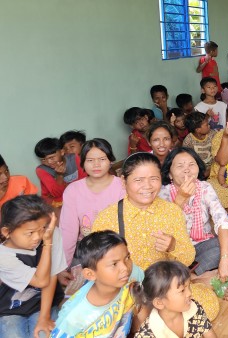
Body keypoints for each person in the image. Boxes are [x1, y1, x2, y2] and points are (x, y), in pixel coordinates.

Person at [92, 153, 219, 321]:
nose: (148, 186)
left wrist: (173, 246)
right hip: (127, 290)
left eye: (154, 178)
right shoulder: (106, 218)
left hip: (164, 287)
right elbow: (100, 267)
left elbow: (188, 257)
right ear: (123, 182)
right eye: (138, 180)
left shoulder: (171, 211)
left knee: (207, 305)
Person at [160, 148, 228, 278]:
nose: (186, 170)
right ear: (170, 174)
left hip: (202, 244)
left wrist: (225, 258)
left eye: (191, 164)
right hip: (176, 249)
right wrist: (180, 199)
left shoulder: (205, 187)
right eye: (180, 166)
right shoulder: (162, 193)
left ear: (198, 168)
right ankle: (197, 274)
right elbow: (165, 228)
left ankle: (190, 273)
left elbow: (221, 219)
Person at [51, 231, 144, 338]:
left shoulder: (132, 274)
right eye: (114, 264)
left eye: (127, 258)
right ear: (90, 274)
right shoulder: (73, 319)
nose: (125, 268)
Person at [0, 196, 61, 338]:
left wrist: (44, 318)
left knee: (45, 334)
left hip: (43, 305)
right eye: (30, 233)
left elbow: (51, 277)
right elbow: (41, 281)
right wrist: (47, 244)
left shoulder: (51, 233)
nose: (38, 237)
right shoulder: (3, 255)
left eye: (42, 229)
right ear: (7, 232)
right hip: (8, 310)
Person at [59, 139, 125, 268]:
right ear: (82, 162)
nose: (96, 165)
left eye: (102, 159)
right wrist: (63, 266)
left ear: (110, 160)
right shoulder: (73, 190)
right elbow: (68, 231)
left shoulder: (122, 186)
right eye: (90, 160)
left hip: (118, 246)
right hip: (86, 250)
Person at [134, 261, 217, 338]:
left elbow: (210, 335)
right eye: (182, 290)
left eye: (189, 287)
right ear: (159, 302)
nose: (189, 293)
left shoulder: (195, 309)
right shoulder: (147, 334)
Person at [35, 137, 87, 211]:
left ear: (62, 152)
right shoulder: (41, 170)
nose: (49, 162)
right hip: (55, 201)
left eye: (52, 158)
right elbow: (57, 194)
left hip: (77, 195)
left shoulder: (74, 158)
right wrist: (59, 176)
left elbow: (84, 180)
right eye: (43, 160)